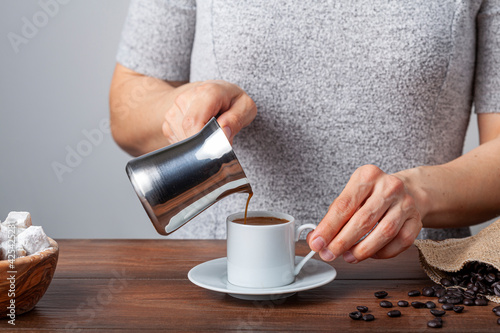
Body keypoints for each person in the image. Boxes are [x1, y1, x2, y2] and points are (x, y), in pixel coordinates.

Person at [110, 1, 500, 264]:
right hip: (215, 276)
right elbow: (126, 105)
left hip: (405, 283)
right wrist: (183, 104)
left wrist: (420, 193)